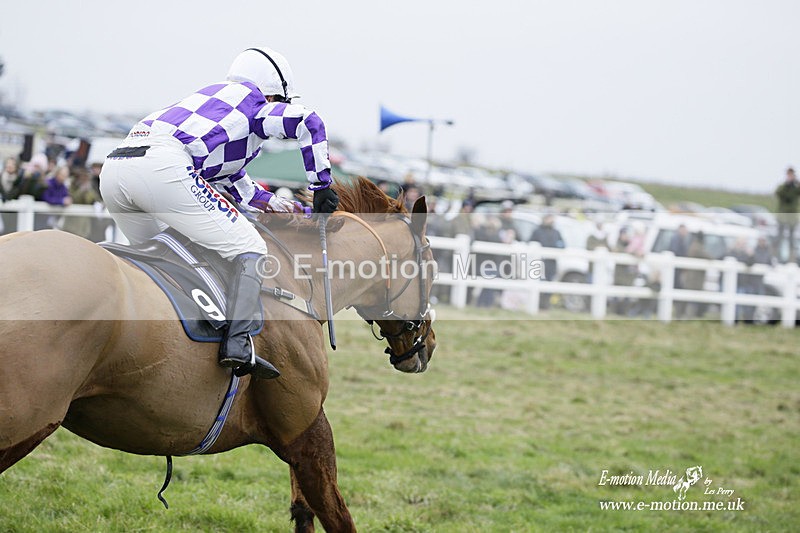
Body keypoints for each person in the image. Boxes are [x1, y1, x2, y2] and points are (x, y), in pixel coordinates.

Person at [99, 47, 339, 379]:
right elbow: (309, 122)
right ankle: (237, 345)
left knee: (161, 265)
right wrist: (321, 184)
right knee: (251, 247)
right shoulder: (255, 104)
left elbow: (240, 187)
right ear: (273, 92)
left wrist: (294, 208)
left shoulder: (212, 103)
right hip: (162, 168)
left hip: (114, 171)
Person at [531, 214, 564, 309]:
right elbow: (531, 242)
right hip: (540, 262)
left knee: (550, 283)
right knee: (539, 283)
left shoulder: (556, 232)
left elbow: (562, 244)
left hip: (552, 263)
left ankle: (545, 305)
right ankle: (537, 304)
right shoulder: (537, 231)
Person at [775, 167, 800, 262]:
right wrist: (787, 184)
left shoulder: (796, 187)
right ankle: (777, 258)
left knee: (791, 238)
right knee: (779, 237)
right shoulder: (783, 186)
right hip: (783, 214)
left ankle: (791, 259)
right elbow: (778, 193)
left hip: (792, 215)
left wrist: (796, 182)